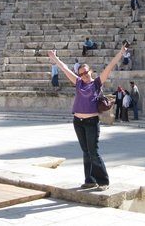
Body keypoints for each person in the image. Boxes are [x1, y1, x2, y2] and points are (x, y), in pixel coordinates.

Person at [47, 43, 128, 191]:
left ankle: (103, 181)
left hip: (91, 122)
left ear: (91, 71)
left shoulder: (96, 83)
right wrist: (55, 58)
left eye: (86, 72)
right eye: (81, 73)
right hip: (78, 121)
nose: (84, 76)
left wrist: (121, 53)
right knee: (85, 152)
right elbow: (64, 69)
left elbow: (110, 66)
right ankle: (89, 180)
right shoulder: (78, 82)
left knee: (93, 151)